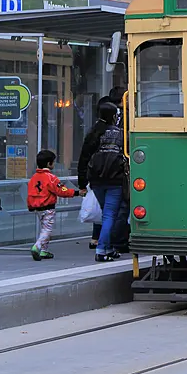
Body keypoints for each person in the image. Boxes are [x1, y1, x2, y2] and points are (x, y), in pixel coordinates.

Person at [78, 102, 127, 262]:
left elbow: (84, 158)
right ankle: (102, 249)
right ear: (114, 116)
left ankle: (109, 248)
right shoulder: (120, 134)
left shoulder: (94, 132)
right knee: (109, 215)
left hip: (96, 180)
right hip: (115, 179)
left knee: (106, 213)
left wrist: (81, 182)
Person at [27, 150, 85, 260]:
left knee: (43, 227)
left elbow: (30, 194)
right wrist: (76, 192)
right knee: (47, 229)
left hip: (37, 208)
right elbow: (61, 191)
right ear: (49, 164)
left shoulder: (33, 178)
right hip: (48, 207)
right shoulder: (51, 178)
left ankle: (44, 250)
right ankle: (37, 246)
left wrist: (30, 206)